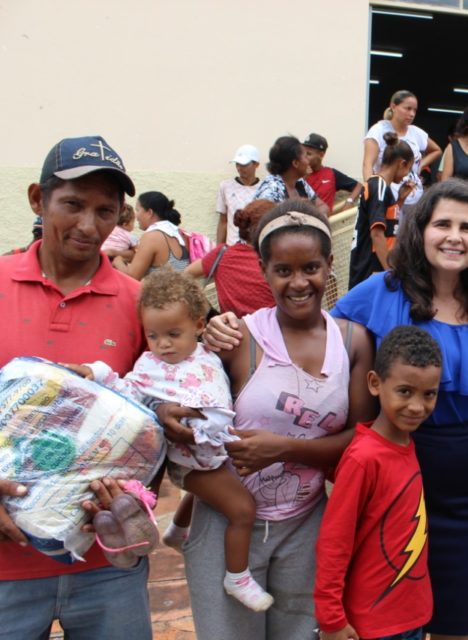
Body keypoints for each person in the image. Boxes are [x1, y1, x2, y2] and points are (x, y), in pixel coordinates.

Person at [331, 179, 468, 640]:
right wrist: (237, 326)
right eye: (443, 224)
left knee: (455, 622)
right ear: (420, 231)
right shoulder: (381, 291)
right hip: (393, 480)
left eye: (467, 227)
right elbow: (316, 336)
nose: (455, 236)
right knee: (387, 619)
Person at [189, 201, 376, 639]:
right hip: (226, 526)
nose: (298, 283)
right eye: (282, 270)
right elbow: (192, 414)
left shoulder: (352, 342)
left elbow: (361, 440)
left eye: (310, 267)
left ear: (330, 265)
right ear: (263, 269)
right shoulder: (239, 338)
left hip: (307, 525)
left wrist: (287, 448)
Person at [0, 135, 157, 639]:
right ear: (36, 200)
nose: (90, 226)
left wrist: (133, 494)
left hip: (106, 568)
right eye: (73, 204)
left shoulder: (141, 304)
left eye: (105, 211)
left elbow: (153, 421)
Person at [66, 269, 271, 611]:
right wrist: (96, 372)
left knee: (216, 487)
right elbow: (125, 388)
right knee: (243, 509)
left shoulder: (208, 354)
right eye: (153, 335)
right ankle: (237, 577)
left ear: (199, 325)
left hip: (211, 453)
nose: (163, 345)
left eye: (174, 334)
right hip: (188, 459)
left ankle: (176, 530)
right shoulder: (149, 365)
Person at [314, 325, 442, 640]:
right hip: (371, 624)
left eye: (429, 394)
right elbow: (334, 543)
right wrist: (331, 620)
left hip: (410, 616)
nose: (417, 407)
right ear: (375, 383)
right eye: (404, 391)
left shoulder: (407, 444)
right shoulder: (363, 458)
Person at [184, 199, 276, 317]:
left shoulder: (221, 254)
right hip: (273, 331)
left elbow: (185, 275)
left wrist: (208, 310)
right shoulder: (275, 260)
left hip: (231, 330)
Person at [348, 132, 415, 289]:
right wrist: (389, 271)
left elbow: (388, 222)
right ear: (401, 163)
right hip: (369, 268)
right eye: (409, 169)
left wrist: (400, 200)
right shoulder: (378, 186)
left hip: (374, 268)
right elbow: (377, 233)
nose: (407, 176)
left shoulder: (384, 188)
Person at [363, 90, 442, 215]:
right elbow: (367, 164)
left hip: (413, 199)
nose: (411, 114)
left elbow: (436, 150)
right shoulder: (378, 130)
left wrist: (420, 165)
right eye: (408, 109)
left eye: (414, 110)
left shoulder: (416, 132)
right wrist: (371, 193)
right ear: (393, 106)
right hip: (388, 197)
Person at [113, 191, 189, 279]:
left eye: (138, 210)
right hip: (180, 291)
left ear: (149, 212)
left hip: (159, 292)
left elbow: (132, 278)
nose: (136, 216)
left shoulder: (151, 237)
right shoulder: (179, 234)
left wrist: (117, 260)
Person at [302, 134, 363, 213]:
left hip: (321, 222)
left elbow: (359, 186)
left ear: (321, 155)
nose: (304, 157)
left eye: (309, 154)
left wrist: (350, 201)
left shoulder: (331, 173)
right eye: (303, 153)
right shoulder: (298, 174)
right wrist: (303, 177)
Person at [216, 144, 261, 245]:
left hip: (255, 249)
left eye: (244, 164)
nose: (240, 168)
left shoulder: (265, 189)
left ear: (256, 164)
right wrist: (218, 250)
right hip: (232, 247)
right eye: (237, 164)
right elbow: (223, 221)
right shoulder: (226, 186)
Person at [253, 136, 317, 204]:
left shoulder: (299, 182)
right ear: (295, 163)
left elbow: (321, 205)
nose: (309, 160)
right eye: (306, 156)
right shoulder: (270, 192)